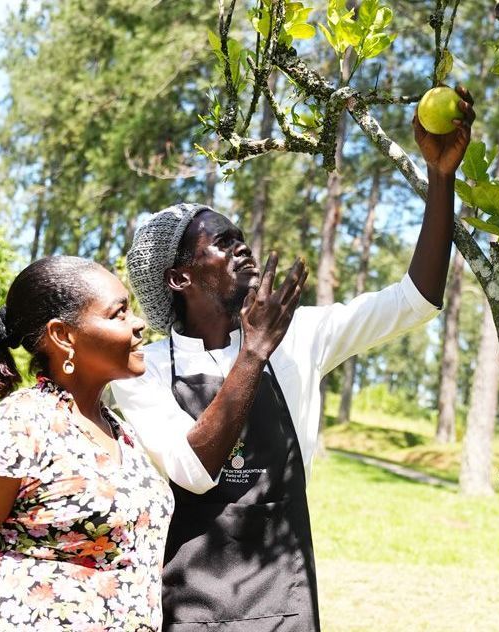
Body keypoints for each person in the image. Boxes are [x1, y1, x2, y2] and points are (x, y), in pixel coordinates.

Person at [111, 88, 475, 630]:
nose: (243, 246)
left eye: (241, 236)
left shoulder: (298, 334)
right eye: (221, 242)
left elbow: (415, 300)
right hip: (188, 610)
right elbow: (194, 468)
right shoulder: (143, 372)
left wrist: (440, 178)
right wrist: (254, 352)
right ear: (179, 277)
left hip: (285, 605)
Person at [0, 256, 173, 631]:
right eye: (117, 314)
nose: (137, 323)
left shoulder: (119, 431)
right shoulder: (18, 429)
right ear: (63, 335)